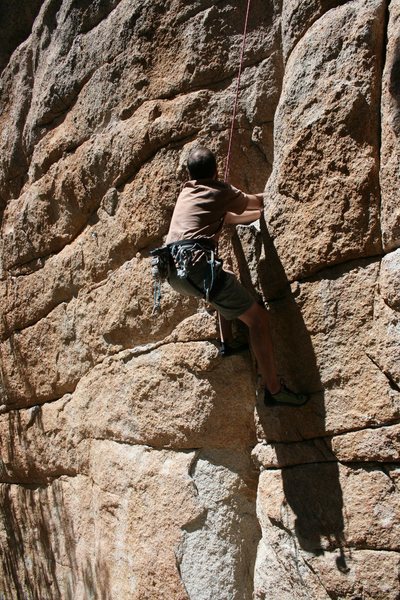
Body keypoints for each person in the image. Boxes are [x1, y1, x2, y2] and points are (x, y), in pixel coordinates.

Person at [166, 146, 308, 406]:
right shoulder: (220, 191)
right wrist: (277, 193)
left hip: (172, 271)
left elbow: (229, 217)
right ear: (216, 169)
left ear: (189, 172)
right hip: (197, 268)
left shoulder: (187, 192)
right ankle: (275, 391)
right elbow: (256, 202)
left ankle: (226, 342)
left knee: (224, 277)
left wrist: (257, 215)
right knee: (258, 320)